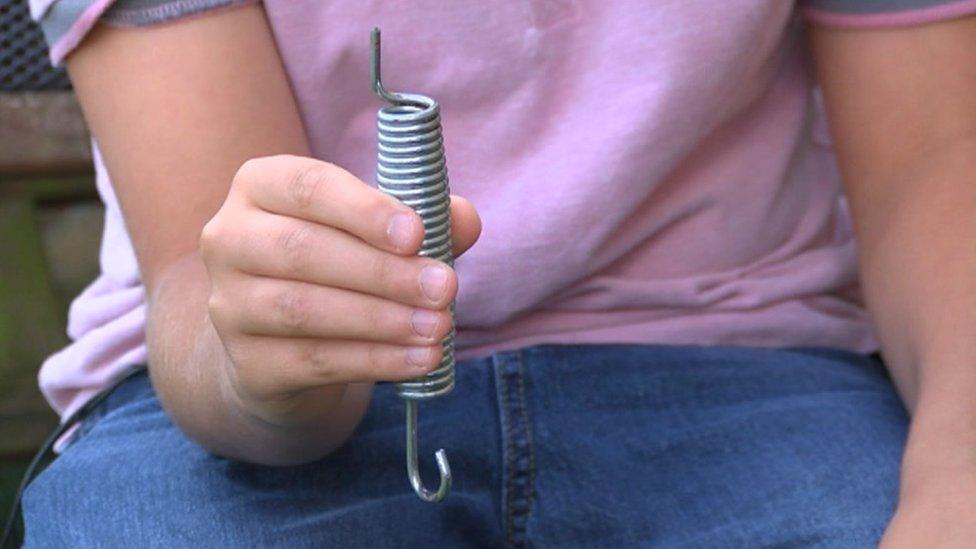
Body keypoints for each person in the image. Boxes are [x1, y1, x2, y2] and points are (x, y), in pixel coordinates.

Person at [18, 0, 976, 546]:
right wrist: (261, 361)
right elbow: (195, 273)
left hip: (761, 373)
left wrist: (957, 478)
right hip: (247, 439)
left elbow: (934, 164)